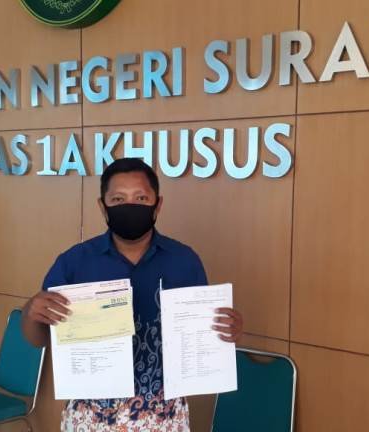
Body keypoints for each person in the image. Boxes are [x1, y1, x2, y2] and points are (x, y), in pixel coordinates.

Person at [21, 157, 244, 431]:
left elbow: (202, 335)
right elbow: (39, 339)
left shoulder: (184, 261)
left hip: (165, 418)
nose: (130, 206)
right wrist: (31, 312)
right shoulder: (74, 262)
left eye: (141, 198)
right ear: (102, 207)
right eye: (118, 199)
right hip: (90, 418)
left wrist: (227, 331)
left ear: (157, 205)